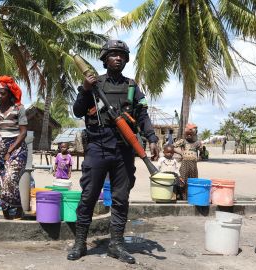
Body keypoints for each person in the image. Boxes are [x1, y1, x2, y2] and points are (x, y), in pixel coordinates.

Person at [68, 40, 159, 264]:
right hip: (98, 147)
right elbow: (79, 111)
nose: (118, 58)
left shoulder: (132, 86)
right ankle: (80, 243)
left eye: (122, 55)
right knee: (89, 196)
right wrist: (85, 89)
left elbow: (143, 115)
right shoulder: (93, 82)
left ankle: (116, 245)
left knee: (121, 198)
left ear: (126, 60)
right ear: (105, 59)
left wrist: (152, 138)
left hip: (124, 150)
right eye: (113, 54)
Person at [0, 76, 28, 220]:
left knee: (9, 179)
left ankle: (18, 209)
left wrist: (10, 150)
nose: (0, 96)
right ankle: (8, 215)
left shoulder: (19, 109)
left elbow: (23, 132)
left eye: (3, 93)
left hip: (17, 149)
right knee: (1, 184)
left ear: (10, 93)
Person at [173, 123, 201, 200]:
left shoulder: (198, 143)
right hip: (184, 164)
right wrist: (181, 153)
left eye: (191, 134)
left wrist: (200, 157)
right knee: (182, 179)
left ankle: (191, 196)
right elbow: (172, 147)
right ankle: (181, 196)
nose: (189, 136)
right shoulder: (183, 141)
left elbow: (202, 151)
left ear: (195, 134)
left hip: (193, 165)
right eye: (187, 134)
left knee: (193, 180)